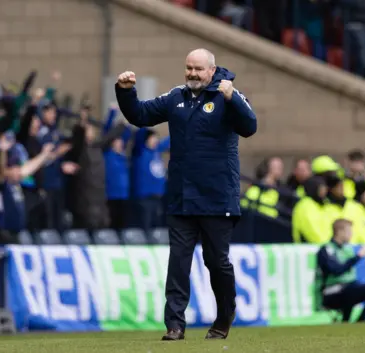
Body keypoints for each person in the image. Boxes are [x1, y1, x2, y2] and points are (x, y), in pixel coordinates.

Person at [115, 48, 257, 341]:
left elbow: (250, 126)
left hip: (218, 197)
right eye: (188, 68)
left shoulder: (228, 94)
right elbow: (140, 115)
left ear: (212, 70)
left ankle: (224, 313)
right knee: (178, 262)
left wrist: (233, 98)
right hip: (182, 196)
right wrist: (126, 92)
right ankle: (175, 325)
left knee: (216, 262)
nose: (192, 73)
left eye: (198, 69)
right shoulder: (175, 97)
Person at [315, 219, 365, 322]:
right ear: (340, 232)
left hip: (349, 289)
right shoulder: (327, 249)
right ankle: (346, 320)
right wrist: (357, 257)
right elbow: (336, 270)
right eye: (349, 231)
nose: (351, 235)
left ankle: (361, 321)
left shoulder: (347, 249)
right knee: (351, 289)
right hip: (331, 292)